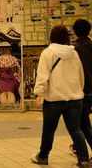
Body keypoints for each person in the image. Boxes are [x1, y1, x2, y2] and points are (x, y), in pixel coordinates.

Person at [32, 25, 91, 167]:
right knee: (75, 129)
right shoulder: (74, 53)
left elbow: (42, 76)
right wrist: (79, 92)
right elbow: (80, 76)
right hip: (75, 99)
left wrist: (39, 94)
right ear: (67, 37)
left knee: (49, 130)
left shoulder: (47, 53)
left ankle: (43, 157)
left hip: (54, 100)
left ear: (52, 37)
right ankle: (83, 160)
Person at [71, 19, 92, 155]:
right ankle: (78, 148)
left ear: (74, 32)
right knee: (82, 123)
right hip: (90, 91)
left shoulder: (74, 49)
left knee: (82, 124)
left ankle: (80, 151)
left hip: (81, 91)